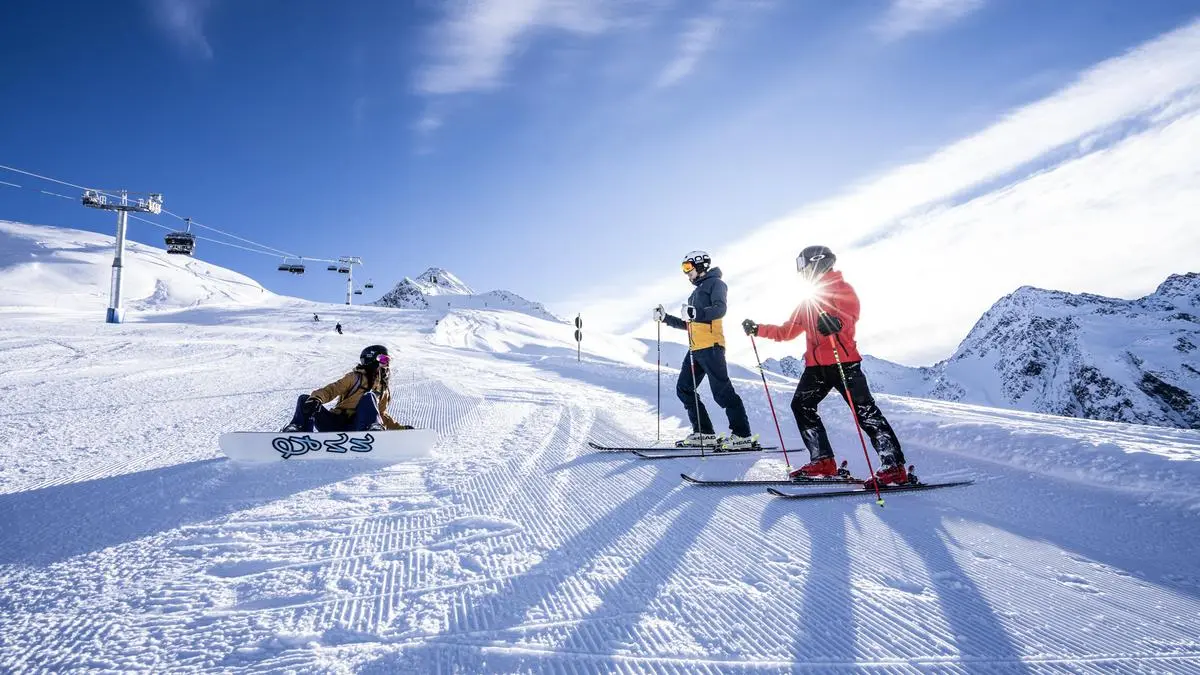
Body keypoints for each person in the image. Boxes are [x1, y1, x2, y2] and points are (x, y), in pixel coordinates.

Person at [742, 245, 906, 488]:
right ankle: (823, 461)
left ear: (816, 262)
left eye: (802, 265)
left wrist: (836, 323)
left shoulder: (842, 289)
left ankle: (894, 467)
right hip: (817, 368)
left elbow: (850, 318)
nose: (801, 271)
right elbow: (787, 331)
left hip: (844, 363)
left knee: (865, 411)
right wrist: (758, 329)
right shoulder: (808, 300)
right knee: (802, 405)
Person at [655, 251, 755, 450]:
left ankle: (742, 435)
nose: (686, 273)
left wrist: (696, 312)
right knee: (684, 389)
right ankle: (704, 433)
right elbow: (689, 323)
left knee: (722, 392)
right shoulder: (695, 292)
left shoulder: (716, 284)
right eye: (684, 268)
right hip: (695, 349)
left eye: (687, 267)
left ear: (700, 265)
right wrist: (665, 318)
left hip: (711, 346)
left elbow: (720, 309)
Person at [280, 345, 411, 433]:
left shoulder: (383, 389)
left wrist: (399, 429)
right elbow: (332, 390)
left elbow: (381, 414)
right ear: (371, 360)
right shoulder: (354, 377)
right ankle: (297, 431)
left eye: (387, 361)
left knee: (368, 397)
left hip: (360, 425)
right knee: (305, 399)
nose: (386, 365)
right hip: (336, 422)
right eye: (383, 359)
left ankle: (374, 431)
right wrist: (316, 399)